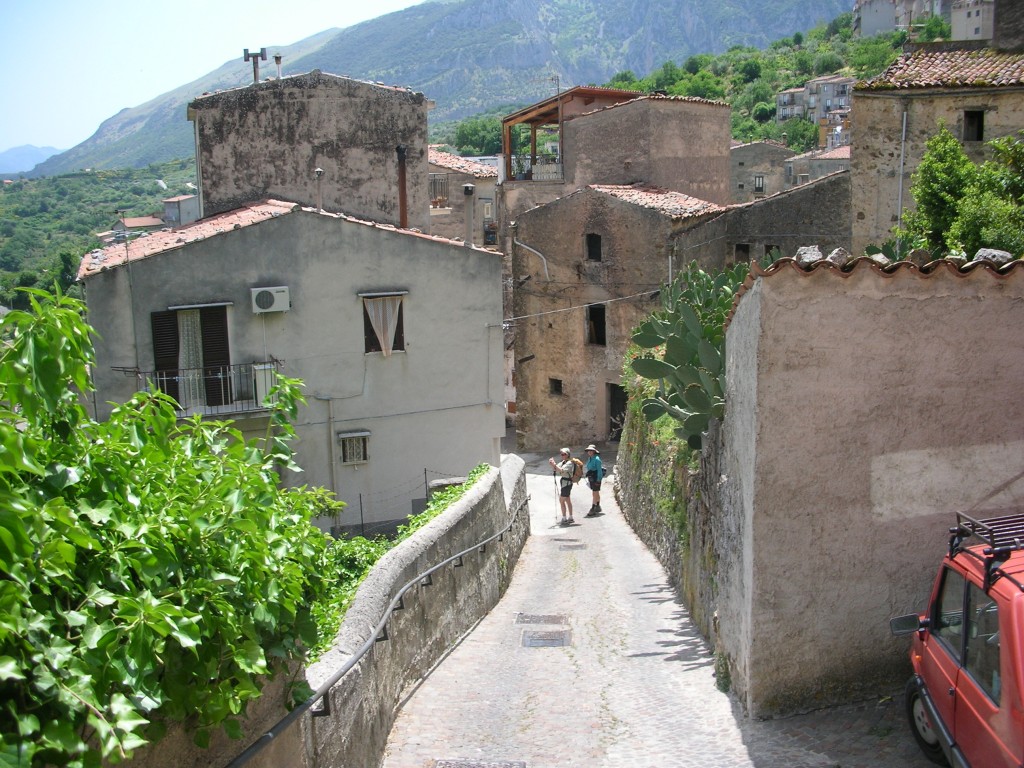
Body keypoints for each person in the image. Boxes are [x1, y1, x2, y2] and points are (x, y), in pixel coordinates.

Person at [548, 448, 575, 524]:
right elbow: (556, 468)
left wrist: (554, 465)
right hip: (565, 482)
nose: (562, 455)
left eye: (564, 454)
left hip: (567, 483)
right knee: (567, 500)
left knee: (561, 500)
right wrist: (552, 464)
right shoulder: (563, 462)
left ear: (567, 454)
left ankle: (564, 518)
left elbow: (561, 470)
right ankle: (570, 517)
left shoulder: (570, 463)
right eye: (561, 454)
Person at [584, 444, 603, 517]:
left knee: (595, 492)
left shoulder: (597, 459)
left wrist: (598, 480)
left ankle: (593, 508)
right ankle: (597, 505)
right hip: (591, 477)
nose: (589, 452)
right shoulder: (590, 458)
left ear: (594, 451)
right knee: (595, 492)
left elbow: (599, 471)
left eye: (591, 451)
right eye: (589, 451)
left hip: (596, 477)